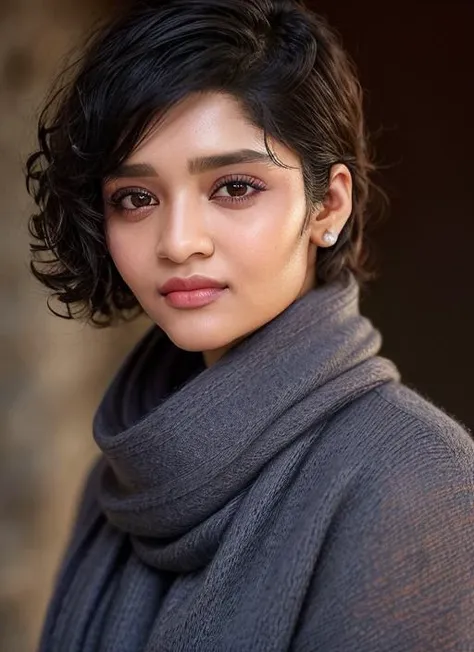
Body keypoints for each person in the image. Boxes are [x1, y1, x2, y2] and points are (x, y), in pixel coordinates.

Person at [26, 0, 474, 650]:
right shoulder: (121, 481)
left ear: (329, 205)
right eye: (136, 198)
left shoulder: (419, 484)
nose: (178, 242)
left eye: (234, 188)